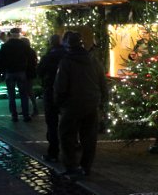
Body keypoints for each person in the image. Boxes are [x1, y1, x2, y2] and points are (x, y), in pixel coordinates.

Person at [55, 32, 108, 179]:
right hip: (91, 103)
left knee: (67, 136)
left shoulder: (66, 62)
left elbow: (60, 87)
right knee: (89, 138)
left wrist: (59, 104)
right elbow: (102, 82)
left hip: (72, 105)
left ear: (67, 45)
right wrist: (103, 100)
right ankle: (86, 167)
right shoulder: (93, 60)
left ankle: (71, 166)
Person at [37, 34, 66, 162]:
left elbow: (39, 72)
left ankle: (53, 151)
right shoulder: (67, 56)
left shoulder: (48, 57)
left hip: (51, 90)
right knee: (67, 122)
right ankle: (69, 150)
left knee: (52, 123)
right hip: (66, 92)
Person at [0, 28, 31, 122]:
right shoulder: (24, 45)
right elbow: (28, 57)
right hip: (21, 71)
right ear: (19, 34)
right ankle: (25, 115)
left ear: (11, 34)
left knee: (11, 95)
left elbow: (1, 59)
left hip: (10, 72)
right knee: (23, 95)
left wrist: (3, 70)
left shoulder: (5, 46)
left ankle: (14, 115)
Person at [22, 37, 39, 116]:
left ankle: (30, 108)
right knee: (29, 91)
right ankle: (32, 108)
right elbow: (35, 62)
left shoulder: (23, 51)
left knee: (27, 91)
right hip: (31, 73)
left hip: (25, 72)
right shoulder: (32, 51)